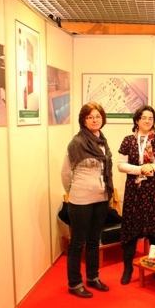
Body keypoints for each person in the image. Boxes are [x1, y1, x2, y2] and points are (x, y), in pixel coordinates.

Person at [61, 102, 113, 298]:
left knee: (93, 240)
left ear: (102, 119)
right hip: (81, 200)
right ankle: (74, 283)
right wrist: (74, 192)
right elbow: (65, 173)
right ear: (84, 121)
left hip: (101, 198)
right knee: (77, 242)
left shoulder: (103, 141)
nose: (94, 120)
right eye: (90, 117)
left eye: (97, 116)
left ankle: (93, 277)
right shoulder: (77, 142)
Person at [117, 105, 155, 285]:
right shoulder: (128, 141)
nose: (147, 121)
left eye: (150, 118)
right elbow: (120, 165)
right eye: (144, 118)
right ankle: (128, 268)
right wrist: (140, 169)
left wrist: (152, 167)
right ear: (137, 120)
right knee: (131, 230)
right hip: (135, 191)